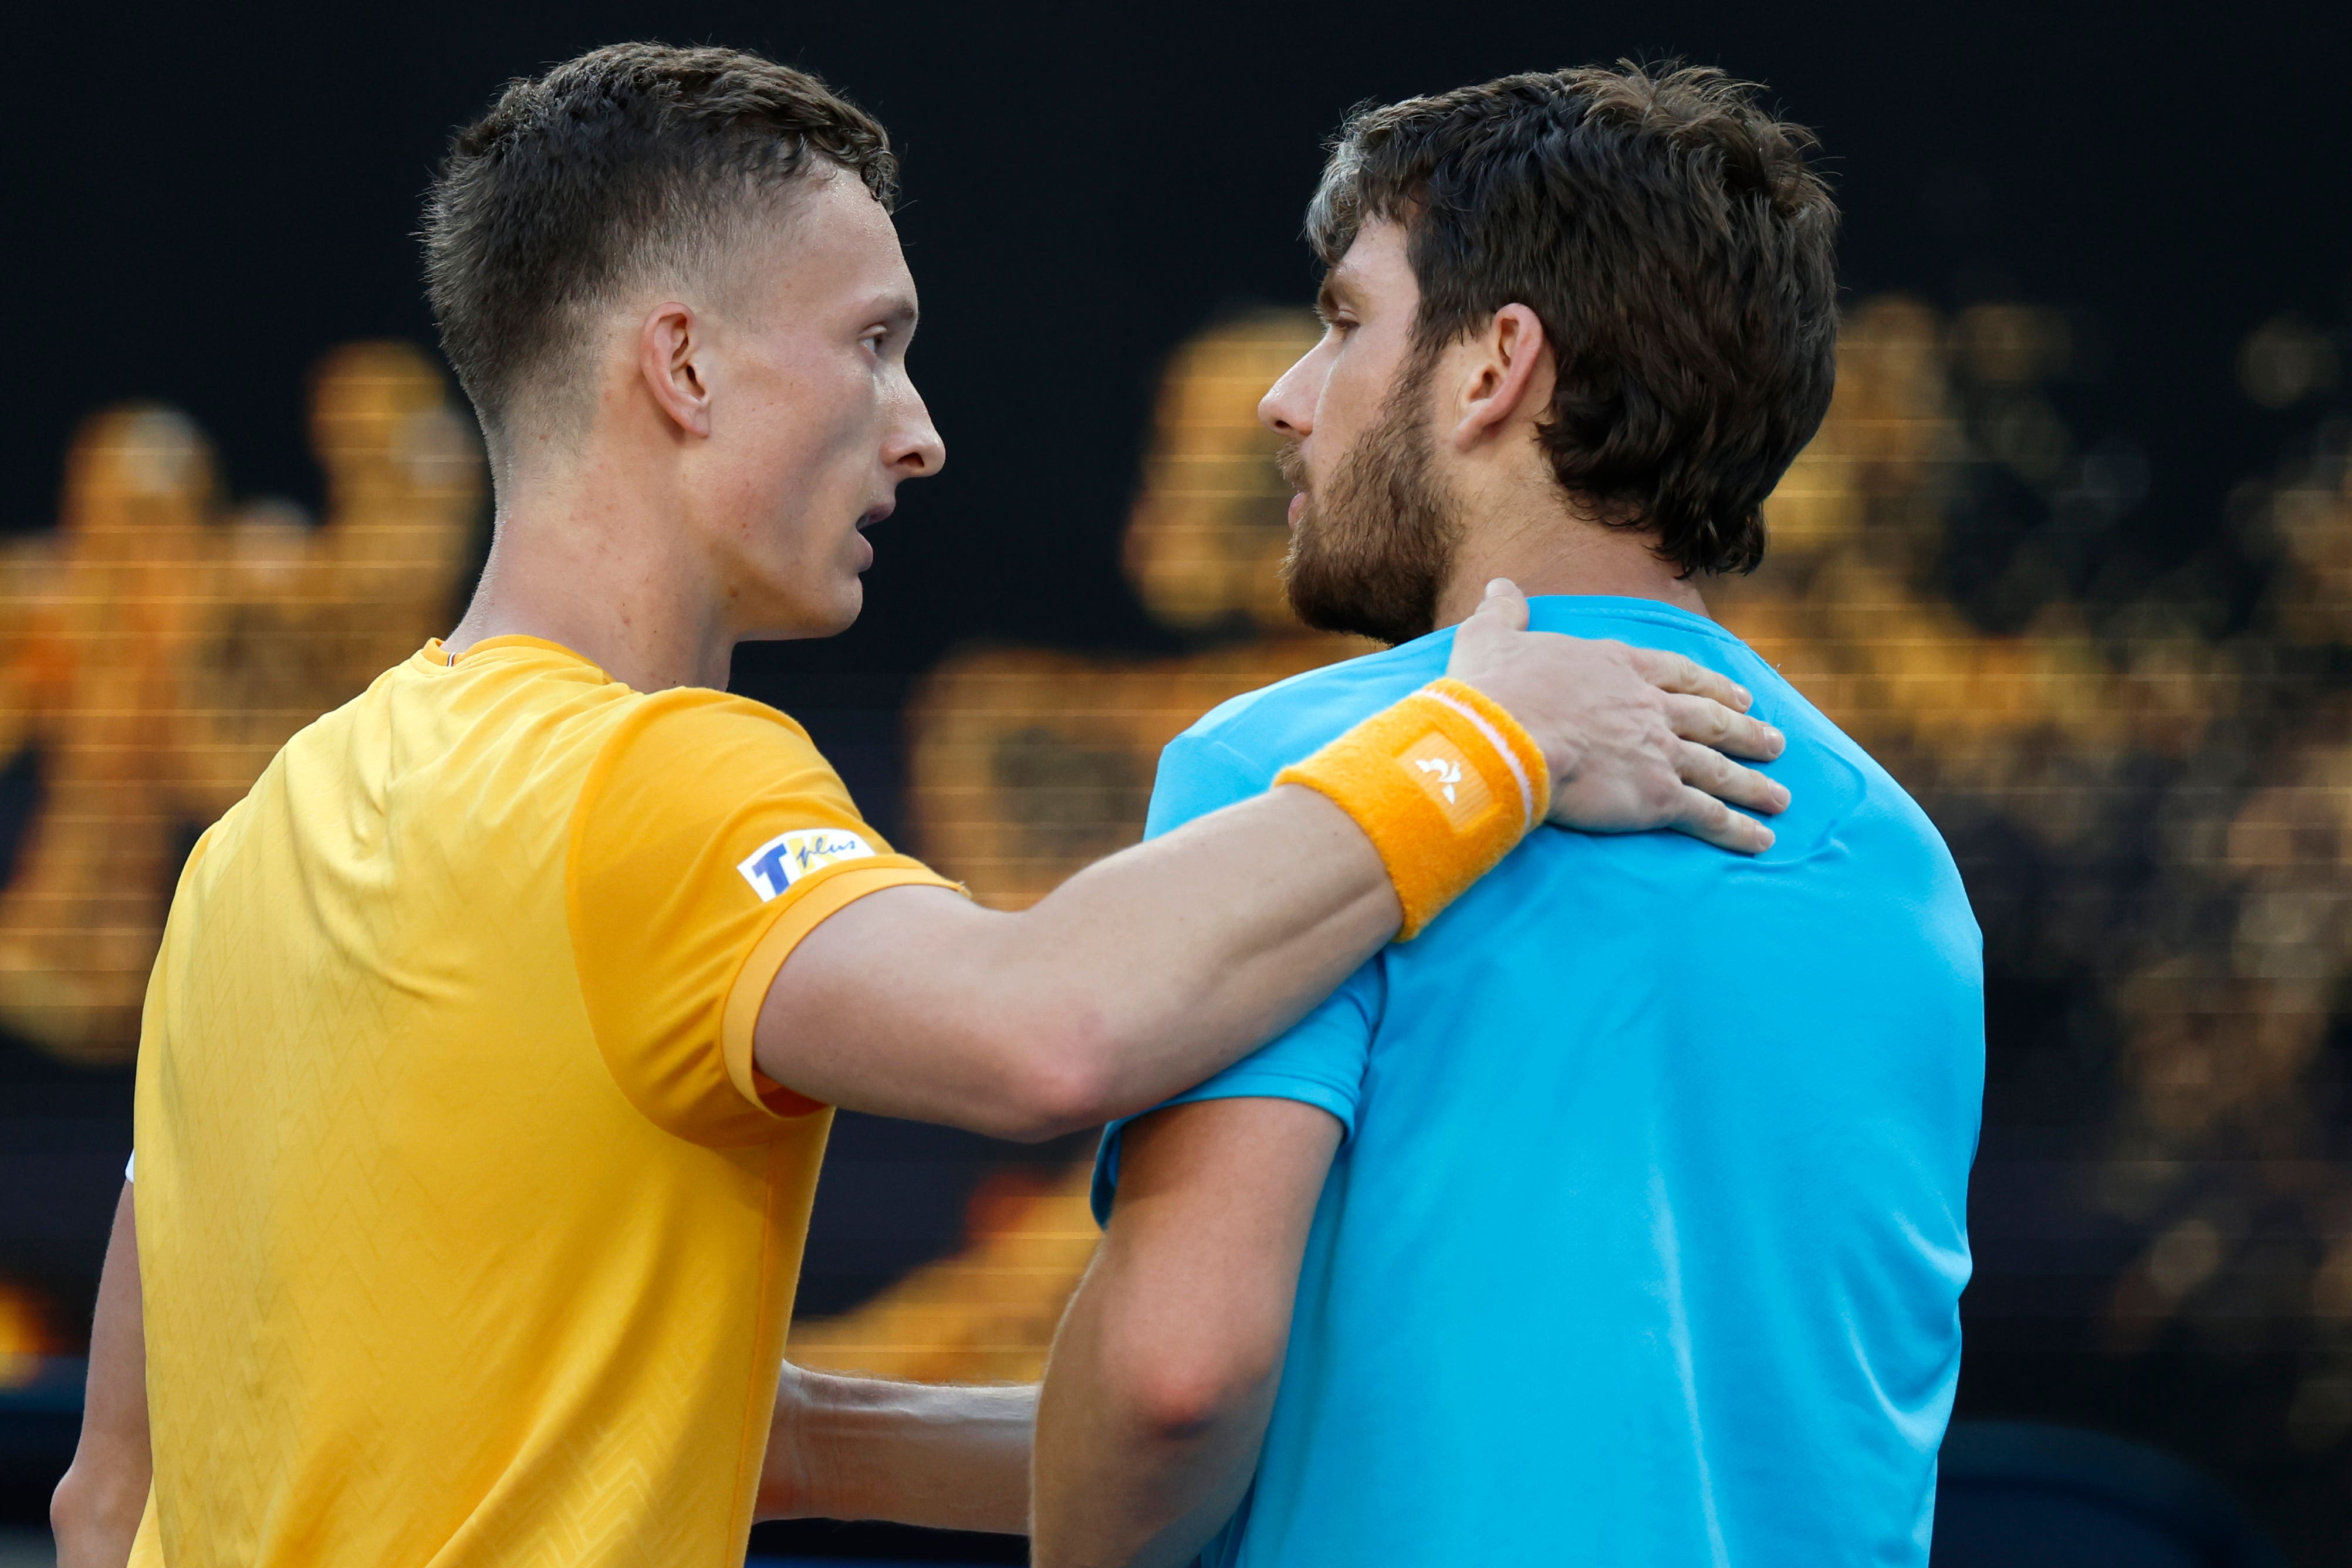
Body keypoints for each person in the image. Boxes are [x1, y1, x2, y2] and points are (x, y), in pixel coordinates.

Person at [45, 43, 1795, 1568]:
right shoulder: (649, 778)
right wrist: (1491, 741)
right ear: (685, 368)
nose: (922, 430)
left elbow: (105, 1502)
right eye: (875, 346)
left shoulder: (254, 844)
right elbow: (1048, 1032)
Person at [1033, 65, 1983, 1568]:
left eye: (1344, 320)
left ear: (1495, 369)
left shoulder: (1299, 772)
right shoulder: (1911, 876)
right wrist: (821, 1439)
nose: (1288, 400)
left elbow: (1175, 1383)